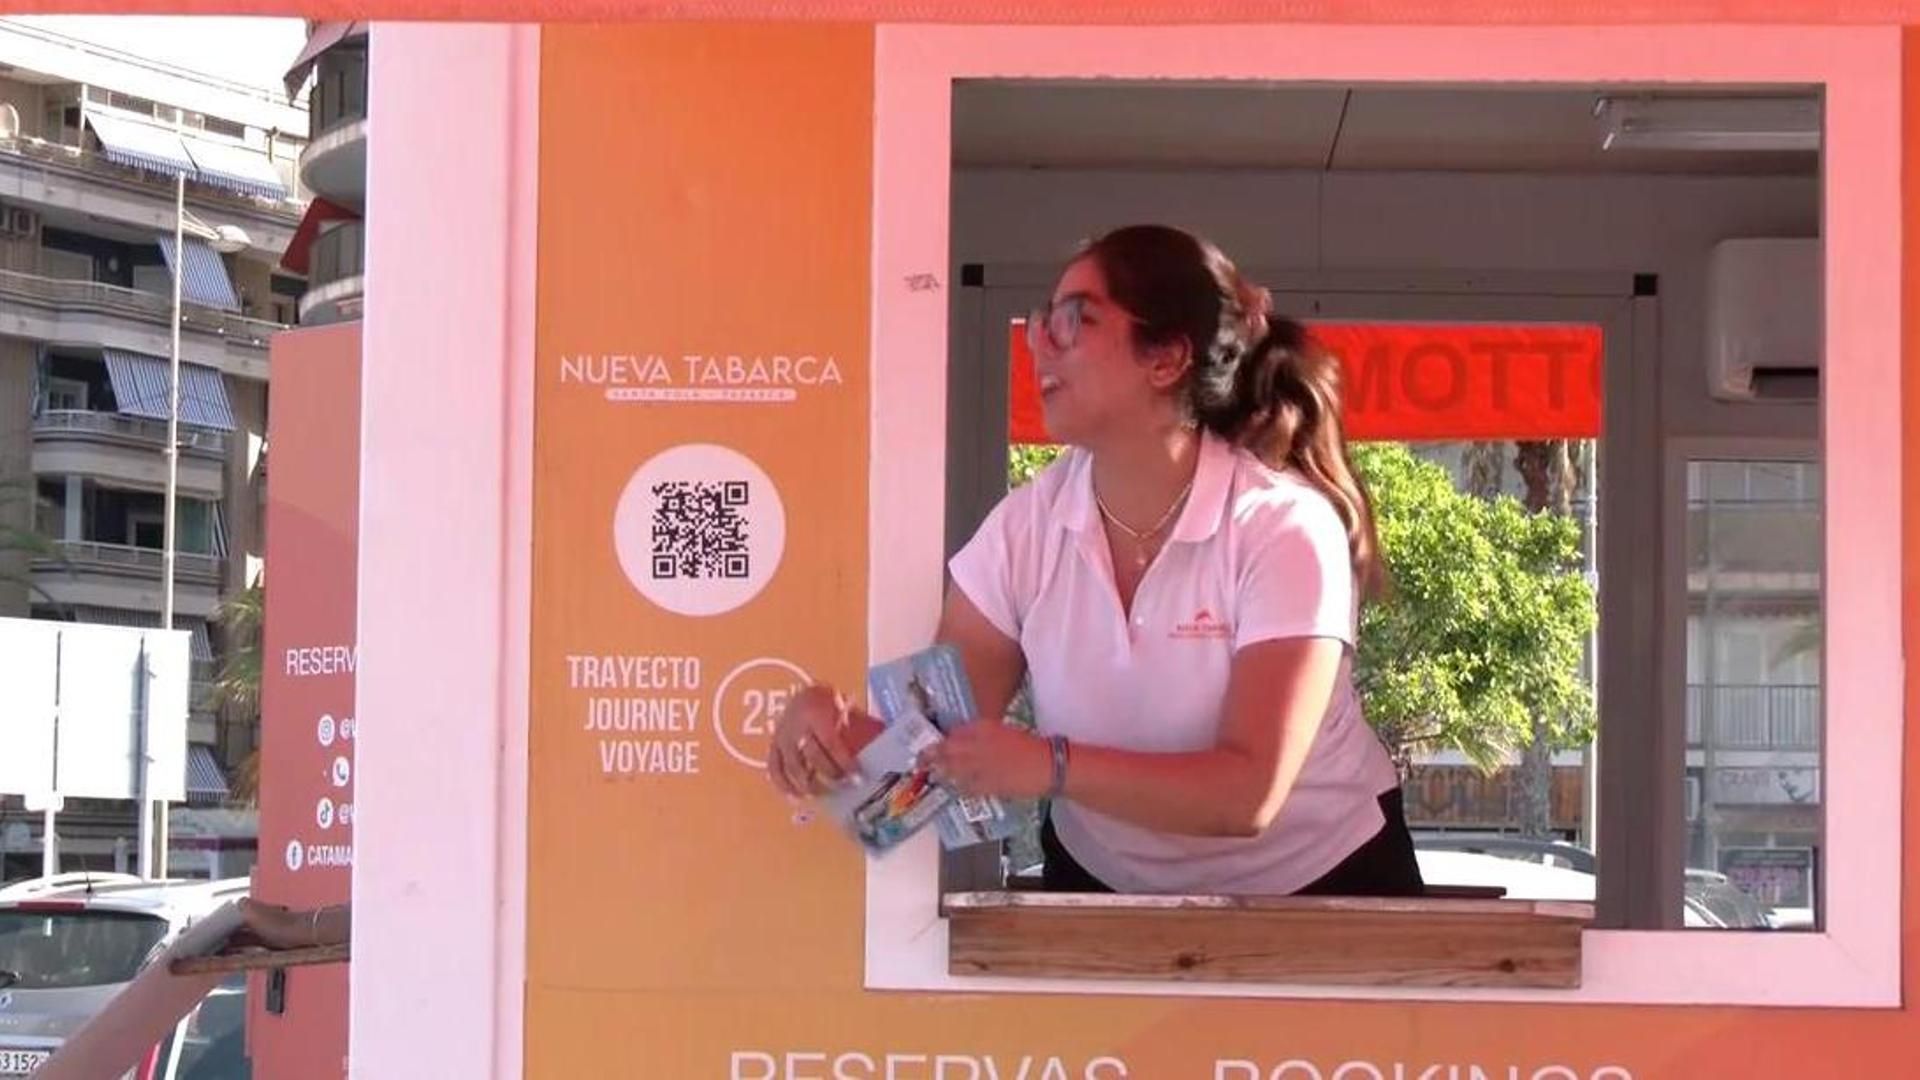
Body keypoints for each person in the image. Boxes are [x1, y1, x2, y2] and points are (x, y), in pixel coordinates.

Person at [768, 224, 1422, 897]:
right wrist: (831, 734)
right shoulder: (1023, 529)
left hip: (1323, 888)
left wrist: (1051, 766)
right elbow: (929, 752)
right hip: (1105, 886)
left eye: (1074, 321)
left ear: (1166, 358)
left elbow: (1247, 796)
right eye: (1041, 322)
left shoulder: (1283, 527)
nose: (1040, 344)